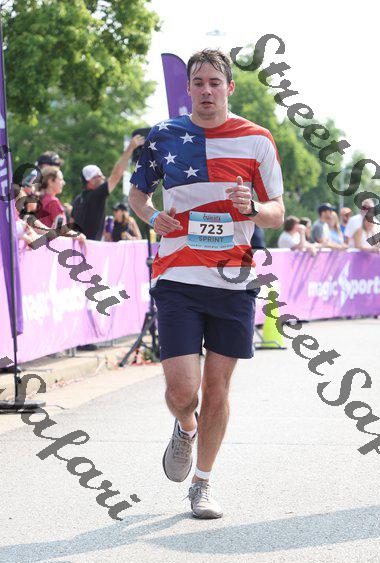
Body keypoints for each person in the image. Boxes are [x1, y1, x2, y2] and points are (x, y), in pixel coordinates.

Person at [129, 48, 285, 519]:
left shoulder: (257, 139)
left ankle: (202, 483)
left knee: (217, 390)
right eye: (198, 82)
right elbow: (137, 195)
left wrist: (252, 208)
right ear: (189, 89)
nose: (207, 91)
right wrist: (153, 216)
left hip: (233, 281)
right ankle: (186, 427)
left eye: (215, 83)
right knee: (183, 392)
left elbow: (276, 213)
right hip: (178, 276)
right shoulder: (164, 136)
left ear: (229, 88)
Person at [71, 135, 145, 241]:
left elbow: (72, 224)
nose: (103, 177)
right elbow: (116, 175)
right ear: (90, 180)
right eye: (99, 175)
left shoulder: (78, 199)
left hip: (78, 246)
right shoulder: (95, 195)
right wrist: (130, 148)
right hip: (90, 247)